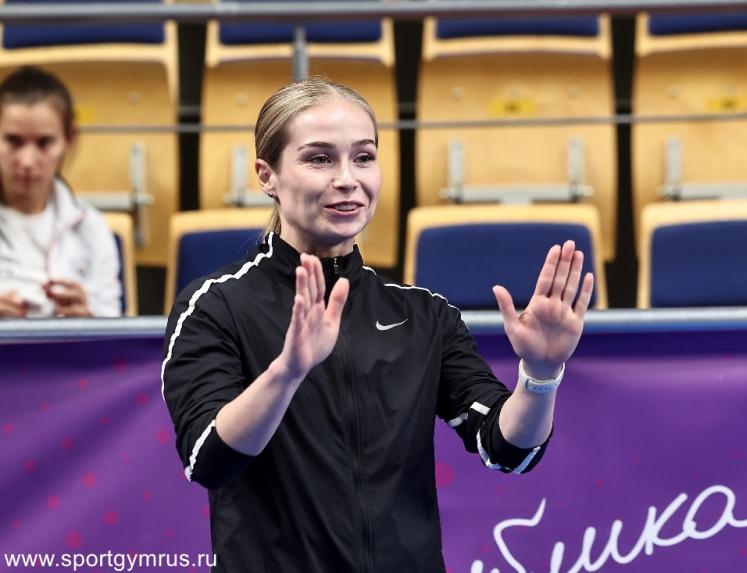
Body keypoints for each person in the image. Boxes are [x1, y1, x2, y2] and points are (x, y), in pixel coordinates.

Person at [162, 77, 594, 573]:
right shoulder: (214, 305)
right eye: (319, 159)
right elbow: (208, 459)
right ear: (267, 175)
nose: (348, 179)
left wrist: (540, 374)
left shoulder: (423, 314)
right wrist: (287, 372)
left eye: (364, 157)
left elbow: (508, 452)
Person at [0, 66, 121, 318]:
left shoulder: (93, 229)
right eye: (14, 141)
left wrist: (88, 320)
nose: (27, 161)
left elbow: (115, 332)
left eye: (44, 143)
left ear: (70, 139)